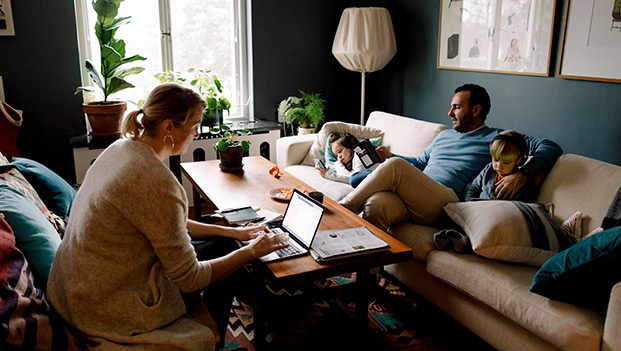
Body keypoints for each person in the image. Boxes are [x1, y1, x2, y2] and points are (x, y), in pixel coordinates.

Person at [47, 83, 289, 350]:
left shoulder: (121, 148)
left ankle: (266, 299)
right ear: (168, 128)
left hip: (75, 287)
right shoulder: (155, 180)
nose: (197, 133)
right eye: (195, 125)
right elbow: (190, 278)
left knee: (222, 242)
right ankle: (215, 336)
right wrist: (251, 251)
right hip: (105, 302)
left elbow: (163, 222)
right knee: (231, 266)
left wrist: (233, 232)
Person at [338, 83, 563, 230]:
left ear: (476, 110)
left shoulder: (497, 138)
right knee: (377, 205)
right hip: (417, 196)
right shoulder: (445, 135)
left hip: (446, 201)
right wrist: (389, 155)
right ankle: (368, 280)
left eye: (456, 107)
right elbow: (419, 163)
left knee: (394, 167)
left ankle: (342, 210)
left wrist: (524, 173)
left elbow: (549, 146)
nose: (449, 113)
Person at [463, 130, 537, 202]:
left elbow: (526, 201)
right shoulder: (488, 169)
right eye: (496, 160)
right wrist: (469, 203)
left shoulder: (520, 183)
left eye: (506, 162)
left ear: (519, 160)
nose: (498, 166)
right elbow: (472, 187)